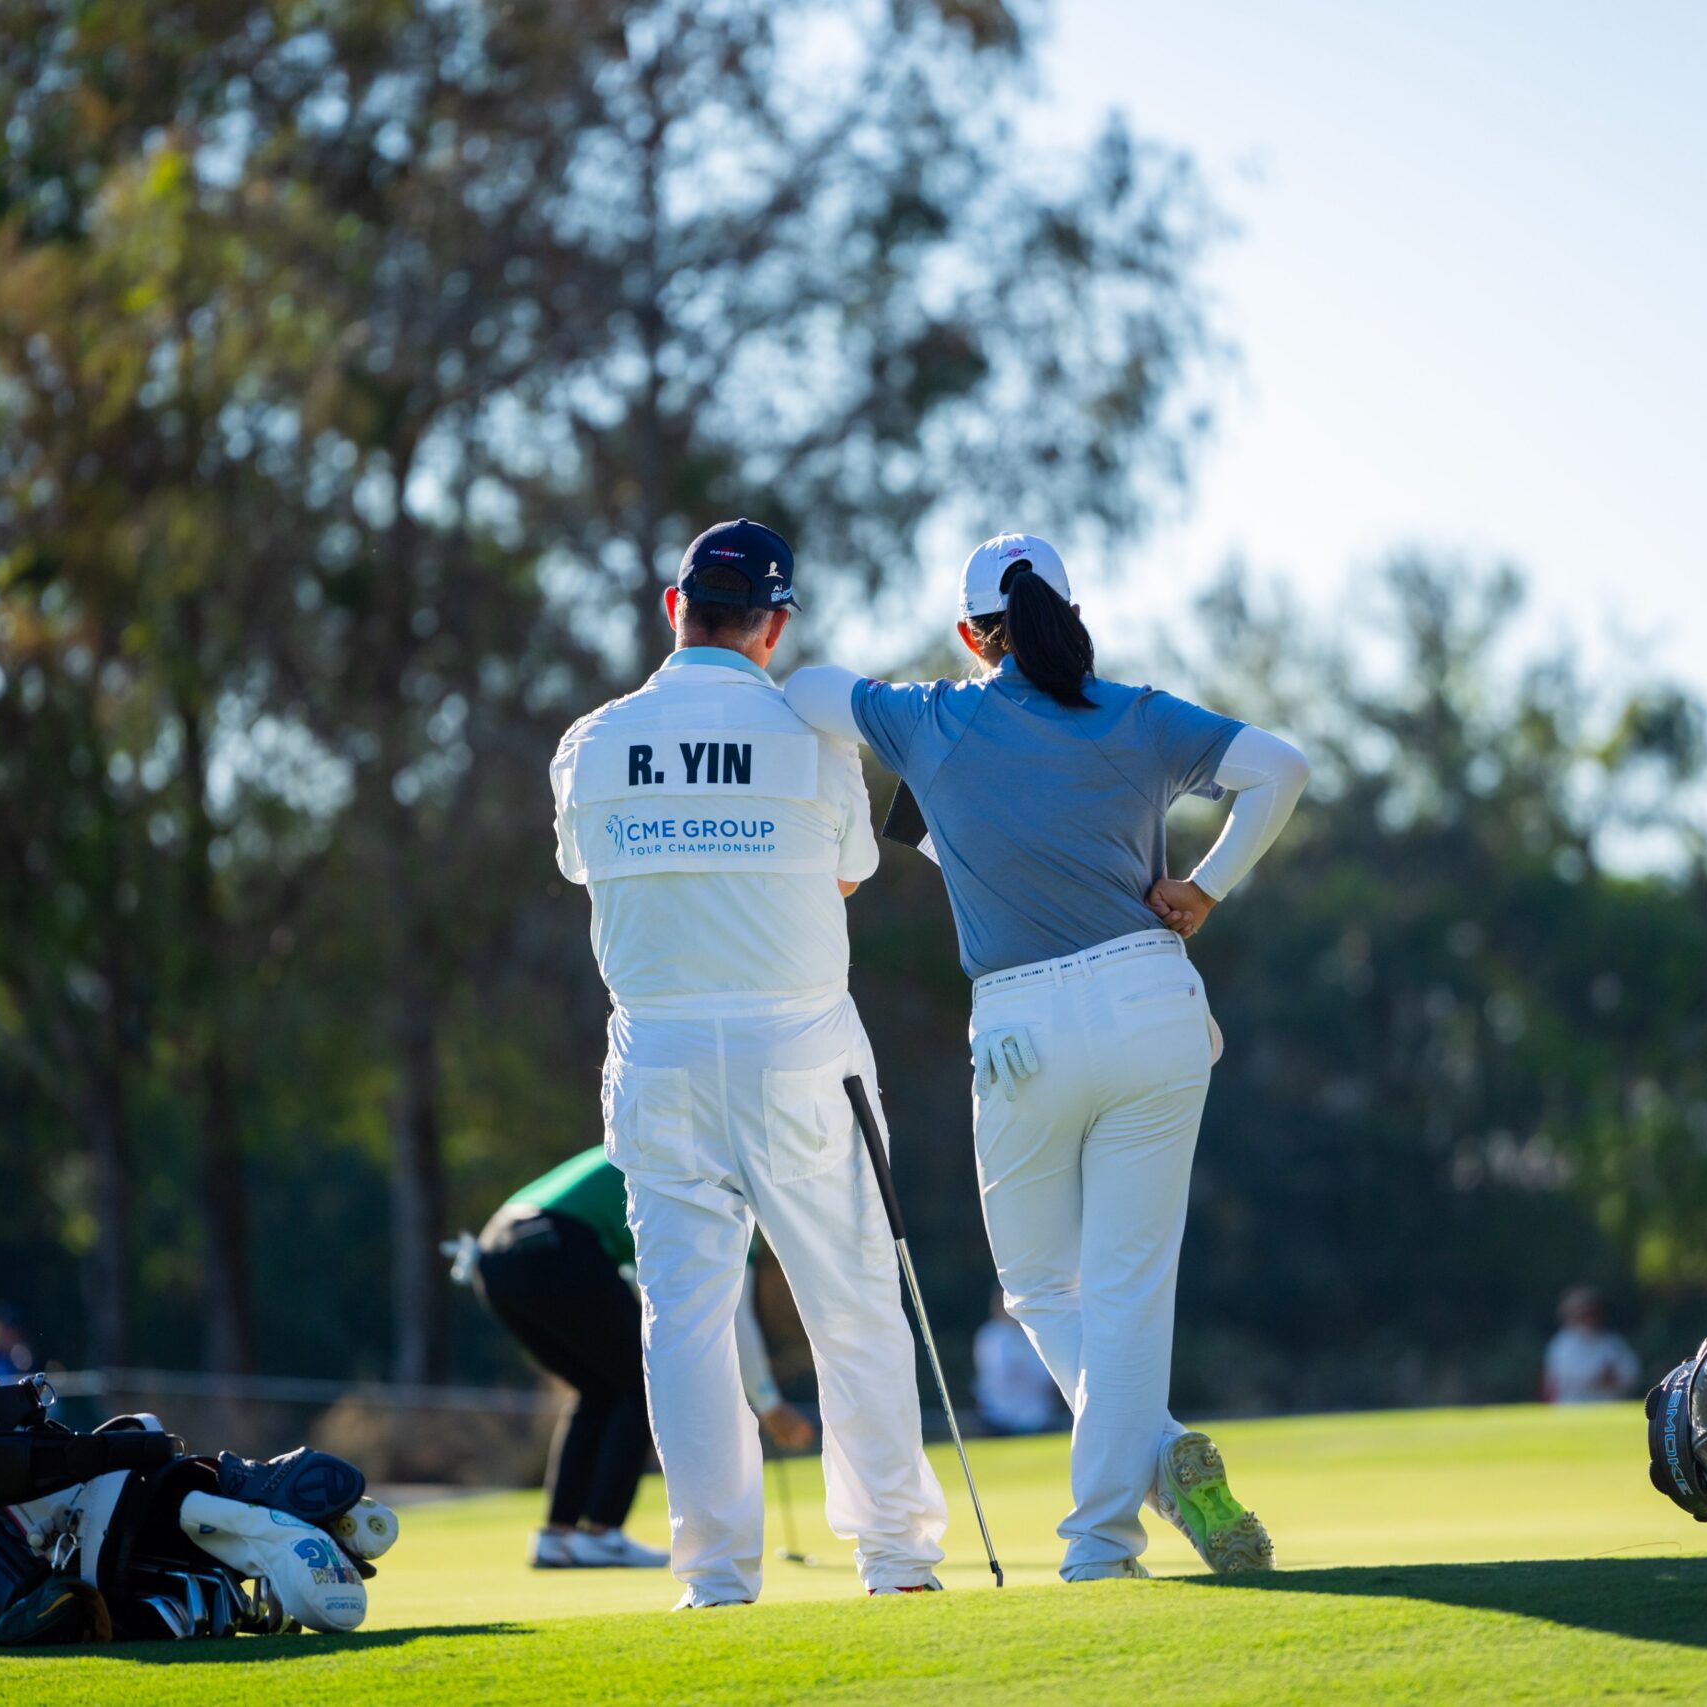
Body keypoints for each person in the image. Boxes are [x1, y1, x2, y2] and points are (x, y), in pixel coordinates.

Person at [785, 532, 1309, 1581]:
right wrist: (1204, 888)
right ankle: (1124, 1504)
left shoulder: (934, 717)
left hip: (1025, 1027)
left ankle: (1132, 1503)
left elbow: (805, 689)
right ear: (1067, 612)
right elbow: (1281, 769)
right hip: (1153, 1004)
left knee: (1037, 1287)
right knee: (1124, 1287)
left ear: (972, 633)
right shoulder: (1141, 714)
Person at [548, 519, 947, 1608]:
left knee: (684, 1319)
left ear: (675, 610)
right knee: (853, 1303)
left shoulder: (590, 742)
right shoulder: (813, 740)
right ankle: (897, 1558)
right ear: (774, 627)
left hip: (658, 1055)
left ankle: (716, 1575)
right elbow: (846, 877)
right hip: (800, 1049)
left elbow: (594, 871)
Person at [464, 1145, 818, 1570]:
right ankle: (602, 1533)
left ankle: (557, 1536)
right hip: (557, 1245)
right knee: (640, 1383)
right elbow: (733, 1312)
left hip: (496, 1256)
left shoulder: (670, 1144)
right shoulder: (725, 1193)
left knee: (599, 1390)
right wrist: (769, 1402)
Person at [973, 1290, 1065, 1436]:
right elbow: (997, 1375)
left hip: (1038, 1416)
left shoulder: (1036, 1333)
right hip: (997, 1417)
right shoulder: (991, 1335)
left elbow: (1048, 1376)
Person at [1542, 1285, 1641, 1403]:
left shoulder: (1612, 1342)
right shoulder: (1563, 1344)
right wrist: (1597, 1376)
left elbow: (1632, 1373)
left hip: (1609, 1407)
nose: (1590, 1318)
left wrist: (1614, 1378)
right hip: (1573, 1408)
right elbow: (1564, 1376)